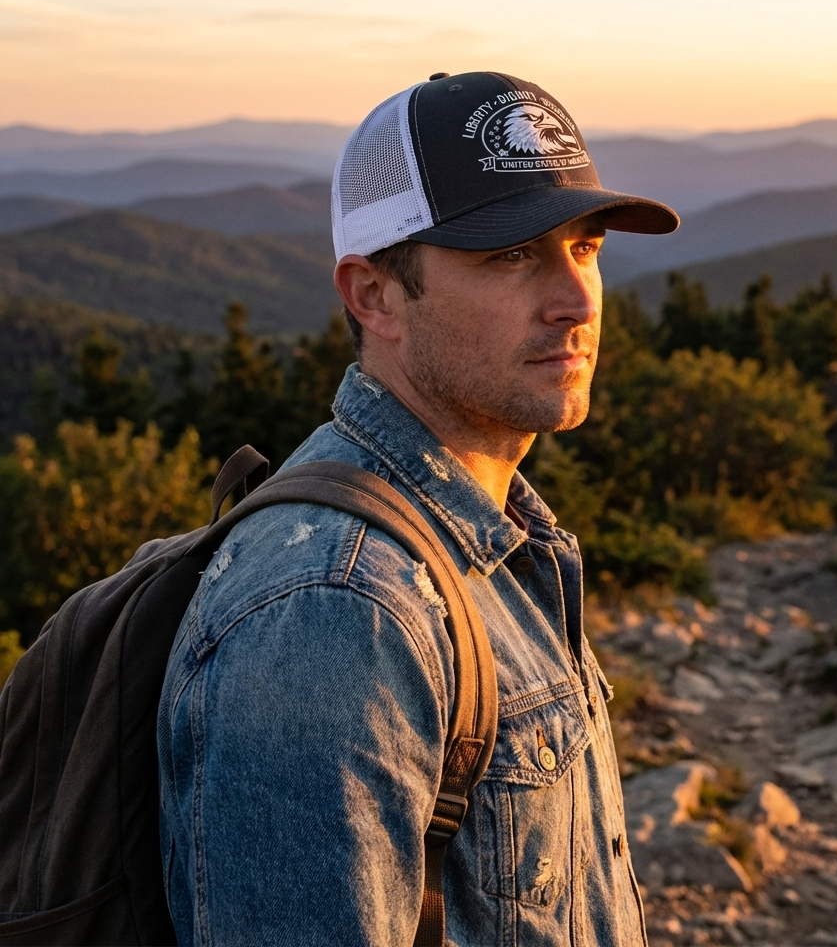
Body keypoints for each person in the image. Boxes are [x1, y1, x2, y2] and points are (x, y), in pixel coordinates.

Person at [157, 71, 679, 946]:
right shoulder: (336, 609)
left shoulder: (494, 537)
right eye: (511, 255)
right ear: (373, 295)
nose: (577, 298)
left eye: (585, 246)